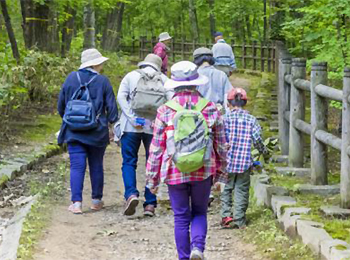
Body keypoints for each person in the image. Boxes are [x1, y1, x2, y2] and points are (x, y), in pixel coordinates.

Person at [146, 61, 227, 260]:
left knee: (181, 217)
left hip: (175, 170)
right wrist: (221, 175)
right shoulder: (209, 108)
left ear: (174, 84)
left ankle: (184, 257)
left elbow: (156, 148)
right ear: (196, 84)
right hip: (203, 169)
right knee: (199, 212)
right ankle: (197, 248)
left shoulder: (165, 110)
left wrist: (152, 180)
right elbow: (222, 145)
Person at [57, 48, 118, 214]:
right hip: (97, 132)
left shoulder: (70, 78)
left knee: (77, 166)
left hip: (73, 131)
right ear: (96, 64)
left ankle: (76, 204)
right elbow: (112, 110)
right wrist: (111, 126)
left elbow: (61, 106)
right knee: (96, 164)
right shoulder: (103, 82)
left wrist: (71, 121)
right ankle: (96, 201)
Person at [117, 54, 170, 217]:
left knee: (129, 161)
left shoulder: (131, 76)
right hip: (153, 127)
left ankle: (131, 194)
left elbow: (120, 97)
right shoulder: (164, 80)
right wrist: (159, 119)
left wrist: (131, 118)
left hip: (130, 127)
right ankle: (150, 204)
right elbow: (170, 101)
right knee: (152, 162)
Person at [220, 88, 269, 229]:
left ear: (229, 102)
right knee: (241, 189)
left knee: (227, 189)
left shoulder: (224, 119)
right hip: (244, 162)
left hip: (226, 162)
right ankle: (239, 219)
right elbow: (258, 140)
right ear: (245, 102)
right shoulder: (251, 120)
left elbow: (218, 138)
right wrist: (264, 151)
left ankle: (226, 216)